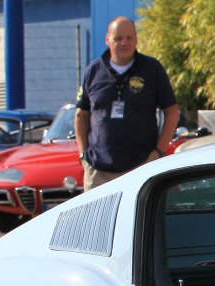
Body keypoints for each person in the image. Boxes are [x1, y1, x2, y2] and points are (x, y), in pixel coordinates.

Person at [75, 17, 180, 189]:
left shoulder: (152, 69)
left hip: (142, 167)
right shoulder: (94, 71)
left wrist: (159, 152)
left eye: (129, 38)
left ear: (136, 39)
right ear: (107, 39)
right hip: (99, 172)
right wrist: (83, 155)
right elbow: (81, 115)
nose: (124, 43)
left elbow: (172, 112)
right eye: (118, 38)